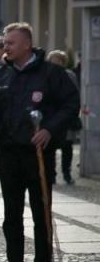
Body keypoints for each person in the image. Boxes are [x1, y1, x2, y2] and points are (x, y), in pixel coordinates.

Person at [0, 23, 79, 262]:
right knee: (11, 216)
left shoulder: (51, 74)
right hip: (9, 152)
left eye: (10, 43)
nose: (5, 47)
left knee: (41, 214)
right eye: (4, 43)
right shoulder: (0, 72)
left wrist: (49, 128)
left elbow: (70, 104)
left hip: (38, 153)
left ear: (26, 45)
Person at [47, 50, 79, 184]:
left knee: (67, 146)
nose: (55, 63)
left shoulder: (69, 74)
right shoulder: (45, 75)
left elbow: (74, 94)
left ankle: (66, 173)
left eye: (58, 60)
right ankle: (51, 174)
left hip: (66, 117)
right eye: (52, 60)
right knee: (51, 147)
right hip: (51, 115)